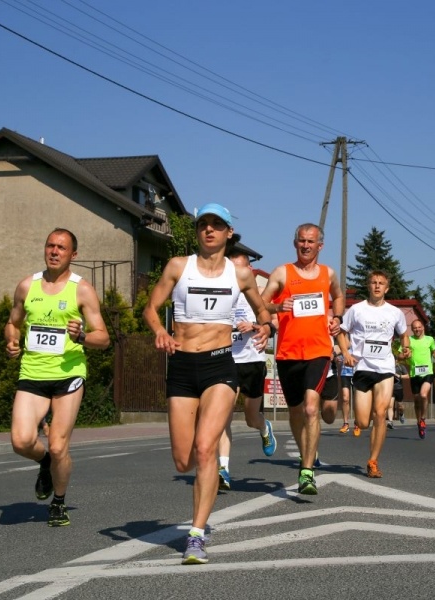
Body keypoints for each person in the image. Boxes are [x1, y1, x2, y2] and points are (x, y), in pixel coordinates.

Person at [143, 203, 273, 565]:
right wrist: (159, 331)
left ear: (229, 232)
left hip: (220, 366)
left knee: (204, 449)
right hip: (182, 366)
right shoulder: (177, 266)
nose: (209, 230)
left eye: (217, 225)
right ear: (197, 230)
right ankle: (207, 474)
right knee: (183, 460)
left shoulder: (240, 273)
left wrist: (264, 326)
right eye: (203, 224)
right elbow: (150, 308)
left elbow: (263, 310)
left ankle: (196, 534)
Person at [5, 228, 110, 527]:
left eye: (61, 248)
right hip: (33, 372)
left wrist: (82, 336)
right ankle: (45, 463)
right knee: (21, 441)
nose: (54, 251)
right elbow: (13, 323)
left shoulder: (82, 290)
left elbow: (103, 338)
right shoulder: (27, 286)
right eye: (50, 245)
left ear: (73, 255)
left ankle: (58, 503)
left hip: (69, 375)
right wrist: (11, 340)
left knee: (58, 444)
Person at [261, 223, 344, 495]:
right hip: (288, 353)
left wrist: (337, 317)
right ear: (295, 243)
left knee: (310, 408)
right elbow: (260, 302)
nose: (306, 245)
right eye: (302, 241)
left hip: (318, 351)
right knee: (296, 412)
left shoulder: (328, 273)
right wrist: (277, 306)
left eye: (311, 241)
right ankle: (306, 451)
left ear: (320, 245)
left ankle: (307, 471)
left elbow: (338, 296)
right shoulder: (282, 273)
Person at [216, 240, 278, 491]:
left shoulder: (257, 295)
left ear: (249, 271)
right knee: (223, 416)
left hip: (252, 361)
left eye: (240, 269)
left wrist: (254, 326)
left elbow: (273, 324)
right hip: (226, 360)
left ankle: (264, 427)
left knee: (251, 417)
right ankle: (223, 469)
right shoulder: (220, 292)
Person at [337, 270, 410, 478]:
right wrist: (345, 353)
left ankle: (373, 461)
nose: (377, 286)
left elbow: (404, 335)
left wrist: (406, 348)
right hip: (362, 367)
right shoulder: (356, 310)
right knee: (363, 422)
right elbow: (341, 332)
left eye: (381, 283)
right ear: (368, 286)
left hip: (385, 367)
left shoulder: (395, 312)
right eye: (374, 282)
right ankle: (361, 421)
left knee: (380, 413)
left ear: (387, 288)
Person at [407, 320, 435, 439]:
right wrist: (405, 355)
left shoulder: (429, 339)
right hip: (414, 374)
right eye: (415, 328)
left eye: (419, 327)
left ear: (423, 328)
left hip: (427, 372)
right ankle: (418, 422)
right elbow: (401, 355)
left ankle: (423, 418)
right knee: (417, 401)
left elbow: (434, 352)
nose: (417, 329)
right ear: (412, 329)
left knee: (423, 395)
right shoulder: (408, 340)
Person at [387, 360, 408, 429]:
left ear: (396, 361)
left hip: (399, 388)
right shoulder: (388, 367)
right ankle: (390, 422)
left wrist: (399, 376)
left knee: (400, 406)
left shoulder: (401, 367)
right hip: (390, 388)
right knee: (390, 406)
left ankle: (401, 414)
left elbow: (407, 376)